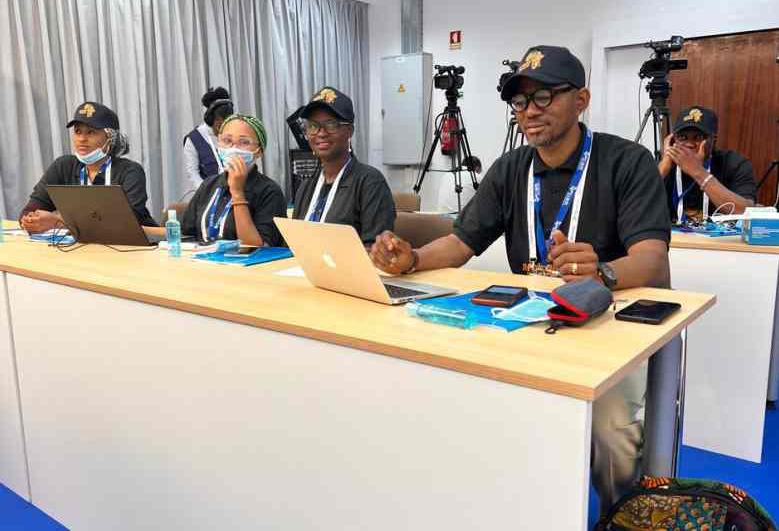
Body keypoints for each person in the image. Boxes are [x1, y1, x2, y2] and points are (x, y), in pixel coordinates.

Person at [370, 46, 672, 513]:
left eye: (544, 96)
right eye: (520, 101)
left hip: (606, 326)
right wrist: (412, 260)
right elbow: (461, 242)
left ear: (581, 99)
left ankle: (622, 515)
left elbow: (652, 259)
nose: (530, 110)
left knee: (610, 428)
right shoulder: (510, 169)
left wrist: (601, 273)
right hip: (532, 323)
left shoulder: (626, 162)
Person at [19, 101, 157, 233]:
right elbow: (29, 210)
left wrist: (59, 222)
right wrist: (30, 221)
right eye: (78, 131)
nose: (82, 139)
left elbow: (126, 224)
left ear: (111, 138)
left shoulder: (130, 171)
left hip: (136, 246)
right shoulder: (63, 166)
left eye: (91, 132)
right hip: (81, 246)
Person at [292, 86, 395, 245]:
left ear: (349, 131)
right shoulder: (306, 188)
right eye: (313, 126)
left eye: (331, 124)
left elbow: (376, 250)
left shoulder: (370, 182)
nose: (321, 133)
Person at [178, 114, 286, 246]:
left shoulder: (270, 191)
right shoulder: (209, 185)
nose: (233, 148)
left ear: (259, 151)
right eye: (227, 140)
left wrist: (237, 192)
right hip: (203, 257)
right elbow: (187, 233)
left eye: (244, 142)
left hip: (247, 259)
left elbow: (257, 247)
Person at [659, 105, 756, 221]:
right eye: (683, 137)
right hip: (672, 232)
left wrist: (698, 172)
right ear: (672, 140)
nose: (689, 144)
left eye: (698, 137)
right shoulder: (666, 166)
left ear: (713, 140)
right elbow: (639, 203)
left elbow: (746, 211)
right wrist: (664, 167)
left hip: (720, 233)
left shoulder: (734, 163)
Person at [182, 86, 234, 194]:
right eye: (219, 122)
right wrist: (207, 193)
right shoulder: (193, 140)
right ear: (210, 119)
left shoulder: (234, 135)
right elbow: (192, 174)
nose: (223, 127)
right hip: (208, 196)